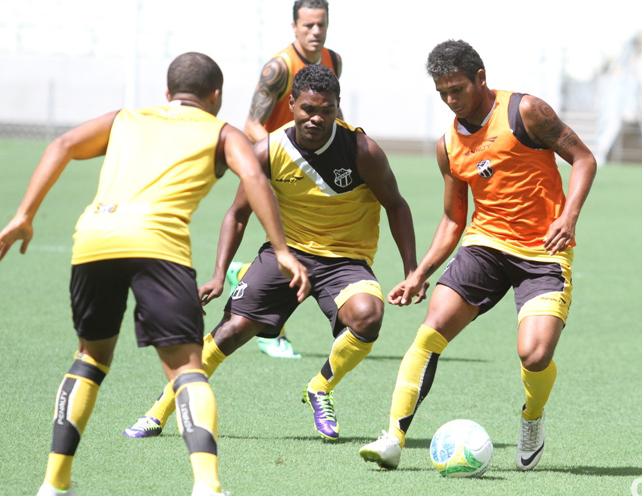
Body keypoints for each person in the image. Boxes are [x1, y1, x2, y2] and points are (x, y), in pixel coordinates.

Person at [0, 52, 310, 496]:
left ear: (167, 92)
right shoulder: (221, 131)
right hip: (158, 244)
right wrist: (282, 249)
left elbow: (61, 145)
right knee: (186, 368)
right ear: (216, 96)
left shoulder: (126, 118)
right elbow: (254, 176)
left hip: (94, 237)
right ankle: (208, 486)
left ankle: (54, 484)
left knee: (90, 357)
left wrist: (24, 214)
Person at [124, 64, 422, 442]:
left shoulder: (362, 151)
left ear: (337, 107)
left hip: (345, 260)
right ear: (293, 103)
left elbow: (397, 205)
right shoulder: (267, 151)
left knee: (367, 317)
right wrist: (217, 274)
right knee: (230, 332)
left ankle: (320, 388)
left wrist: (411, 269)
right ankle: (159, 412)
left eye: (327, 110)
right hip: (286, 256)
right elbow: (237, 214)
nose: (316, 118)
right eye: (308, 109)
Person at [359, 40, 597, 472]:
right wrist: (419, 273)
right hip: (485, 245)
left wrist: (569, 217)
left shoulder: (525, 112)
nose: (451, 100)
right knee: (430, 330)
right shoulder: (448, 145)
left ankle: (532, 416)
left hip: (544, 252)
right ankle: (392, 436)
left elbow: (583, 159)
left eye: (457, 89)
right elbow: (453, 219)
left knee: (535, 355)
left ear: (480, 79)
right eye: (442, 93)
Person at [237, 0, 343, 359]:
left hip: (314, 163)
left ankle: (247, 275)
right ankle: (271, 331)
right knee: (286, 244)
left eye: (321, 25)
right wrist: (282, 154)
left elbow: (334, 114)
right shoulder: (278, 68)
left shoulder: (333, 60)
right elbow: (251, 124)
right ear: (294, 27)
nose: (315, 32)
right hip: (278, 163)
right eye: (308, 25)